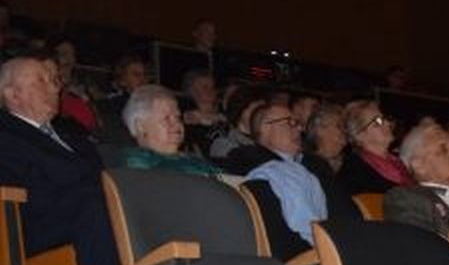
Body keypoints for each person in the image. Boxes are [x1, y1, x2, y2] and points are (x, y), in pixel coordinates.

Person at [0, 56, 122, 265]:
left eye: (53, 81)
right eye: (41, 81)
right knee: (93, 205)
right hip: (25, 230)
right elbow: (24, 193)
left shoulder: (74, 138)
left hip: (87, 216)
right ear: (12, 94)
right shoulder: (5, 135)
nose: (54, 88)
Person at [235, 104, 327, 244]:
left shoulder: (303, 165)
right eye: (290, 122)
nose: (300, 129)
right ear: (265, 128)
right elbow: (308, 231)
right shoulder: (269, 170)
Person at [118, 85, 221, 177]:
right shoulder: (137, 164)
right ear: (141, 127)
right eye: (166, 118)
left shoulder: (194, 159)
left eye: (178, 117)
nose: (177, 124)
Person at [337, 100, 413, 194]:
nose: (388, 123)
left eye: (383, 119)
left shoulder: (398, 161)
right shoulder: (354, 171)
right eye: (377, 122)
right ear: (359, 135)